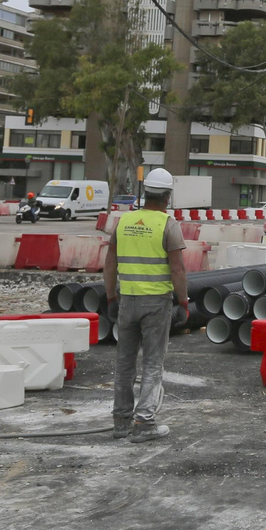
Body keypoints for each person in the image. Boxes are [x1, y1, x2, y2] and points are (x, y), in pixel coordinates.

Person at [104, 168, 188, 442]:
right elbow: (178, 270)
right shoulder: (168, 224)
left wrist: (110, 298)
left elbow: (110, 264)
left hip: (127, 301)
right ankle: (144, 423)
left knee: (124, 363)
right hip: (156, 304)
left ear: (145, 194)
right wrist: (184, 301)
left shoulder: (124, 221)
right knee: (152, 363)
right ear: (167, 197)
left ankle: (121, 422)